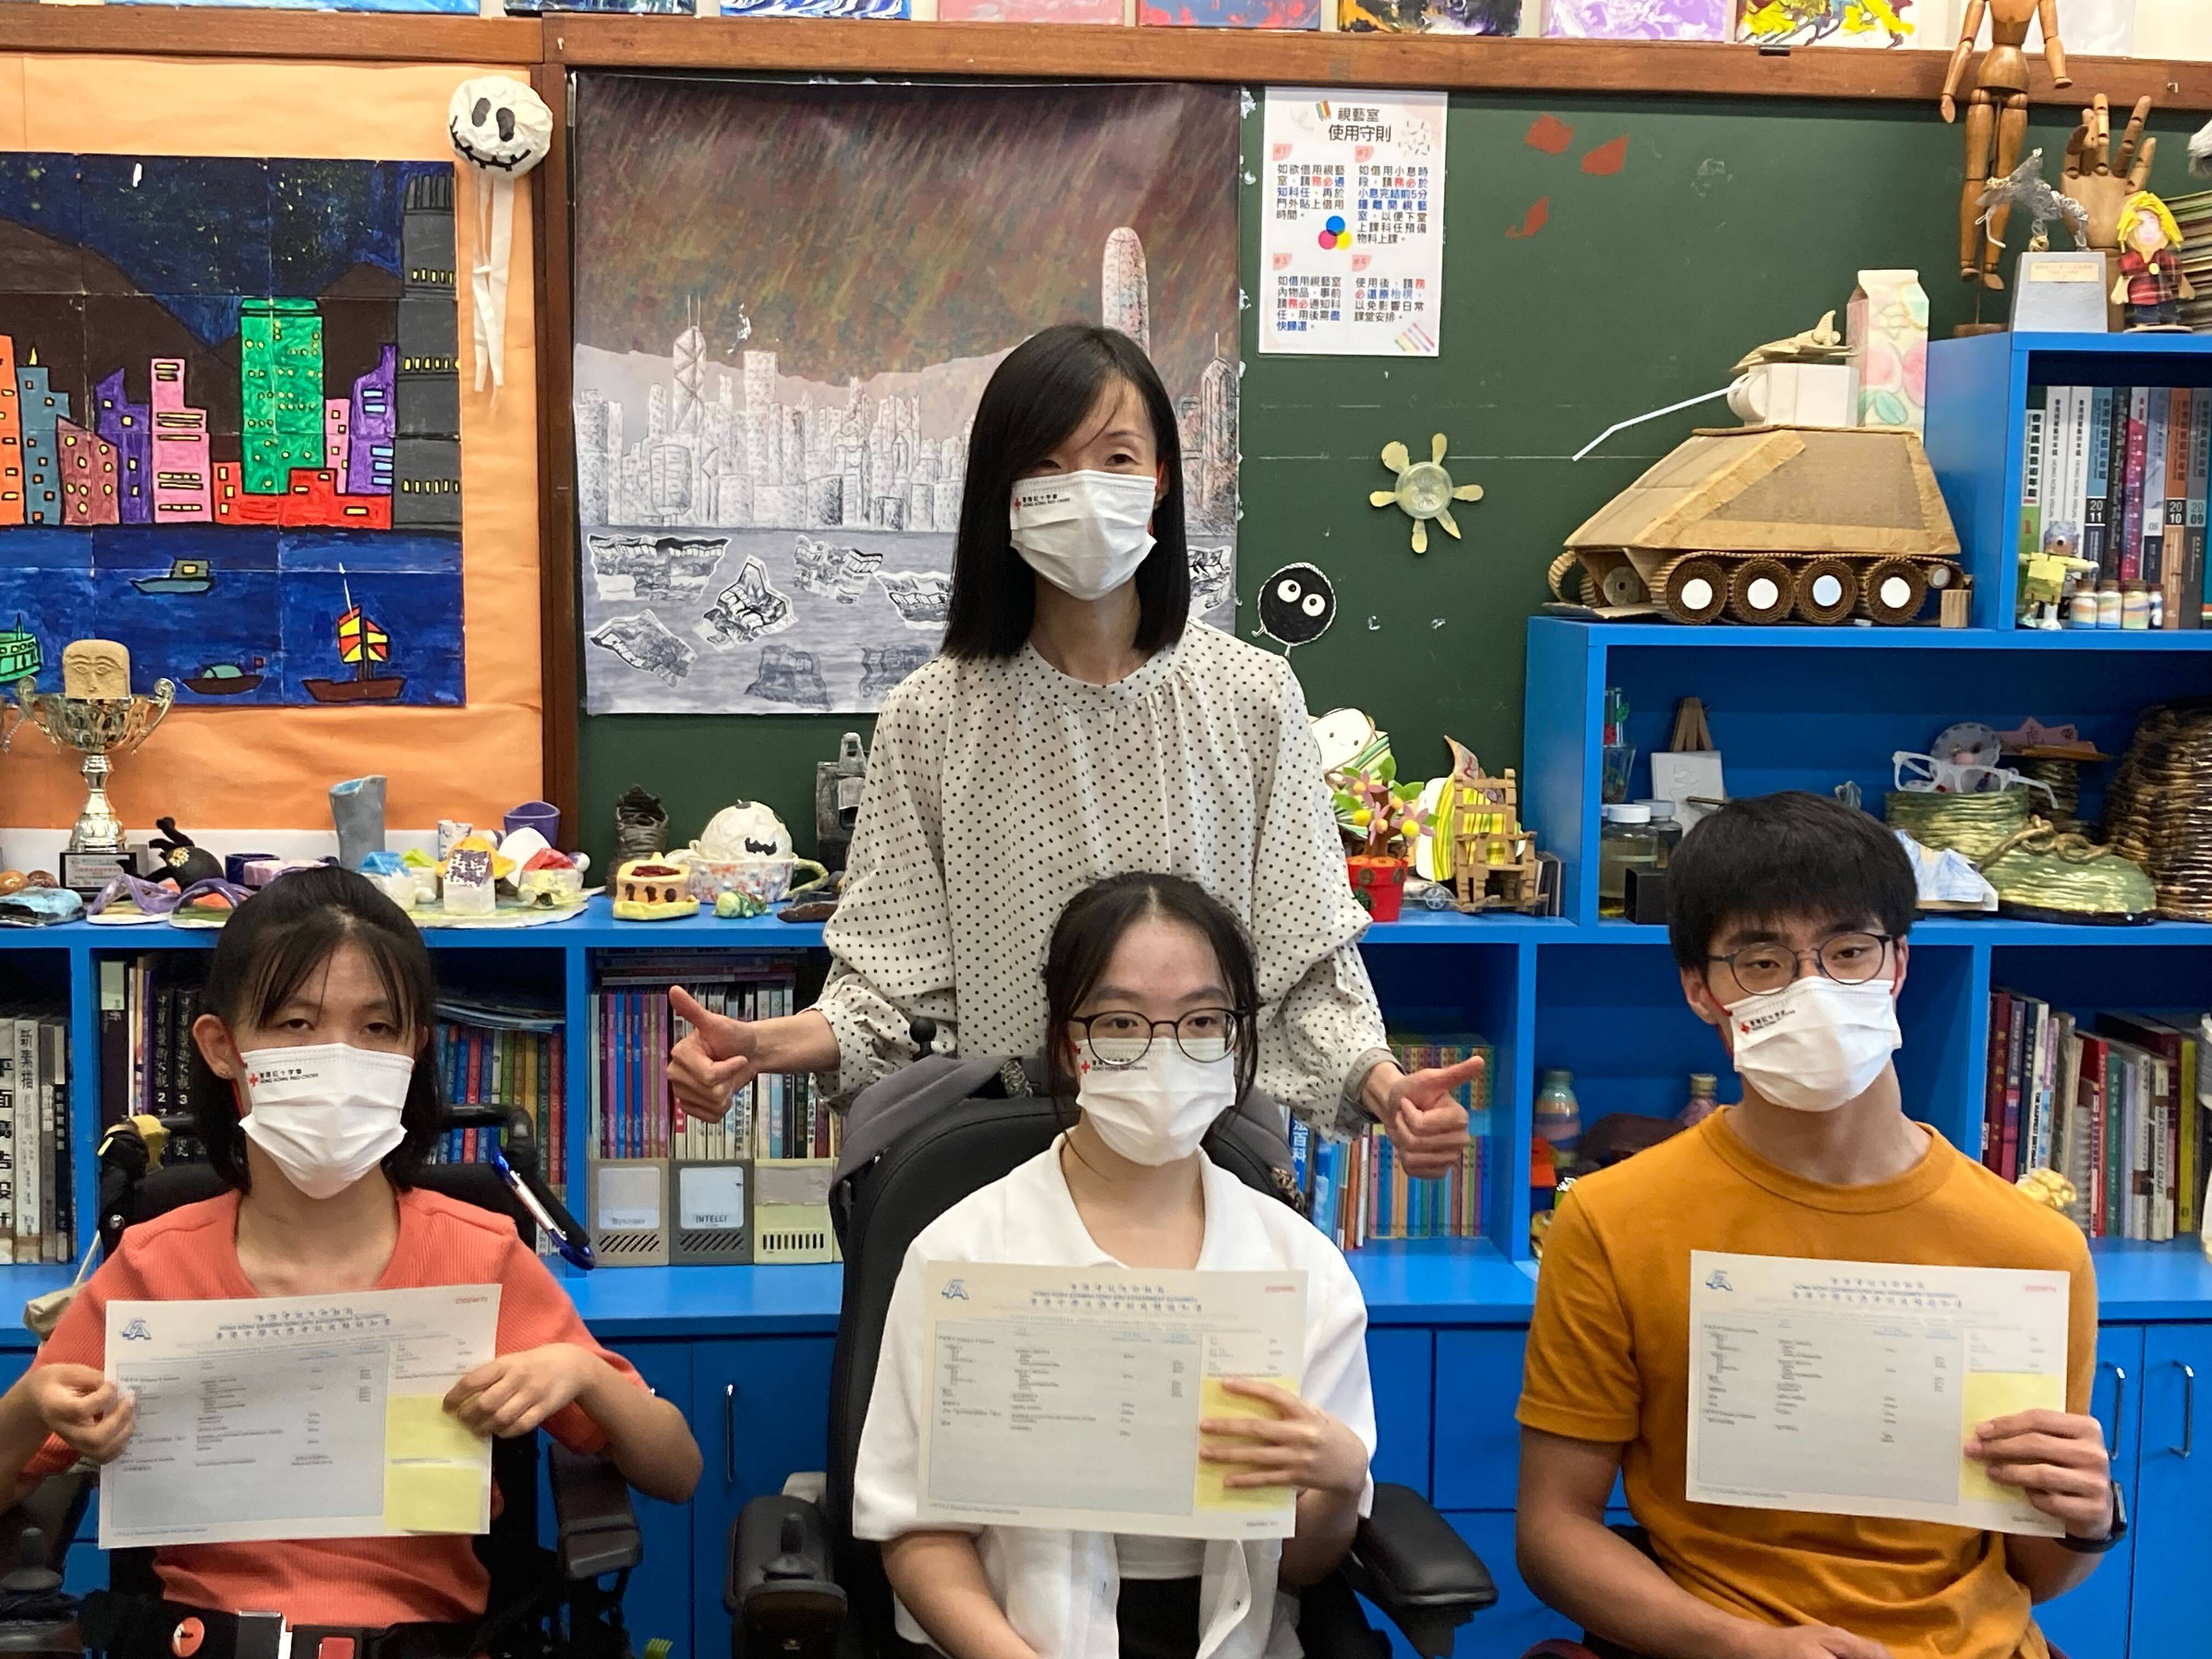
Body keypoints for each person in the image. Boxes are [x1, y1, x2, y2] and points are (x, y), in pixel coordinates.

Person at [667, 323, 1474, 1175]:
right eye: (1047, 465)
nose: (1084, 490)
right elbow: (892, 996)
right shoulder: (933, 716)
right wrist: (761, 1047)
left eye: (1118, 459)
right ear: (1002, 494)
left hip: (1200, 1149)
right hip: (1002, 1157)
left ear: (1162, 481)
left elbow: (1304, 964)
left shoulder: (1253, 701)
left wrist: (1386, 1089)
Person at [0, 867, 701, 1652]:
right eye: (297, 1025)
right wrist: (31, 1408)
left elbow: (675, 1470)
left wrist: (584, 1379)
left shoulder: (478, 1256)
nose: (340, 1060)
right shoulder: (154, 1267)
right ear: (222, 1047)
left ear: (414, 1048)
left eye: (376, 1030)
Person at [1515, 793, 2114, 1659]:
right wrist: (1734, 1644)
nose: (1814, 990)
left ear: (1898, 966)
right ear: (1701, 990)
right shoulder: (1615, 1222)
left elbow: (2037, 1573)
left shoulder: (2030, 1251)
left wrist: (2084, 1517)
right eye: (1762, 962)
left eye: (1847, 952)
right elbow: (1553, 1531)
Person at [853, 873, 1376, 1659]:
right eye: (1123, 1023)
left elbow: (1301, 1566)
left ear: (1238, 1037)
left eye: (1202, 1020)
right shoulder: (964, 1254)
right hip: (1013, 1639)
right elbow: (917, 1536)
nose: (1165, 1054)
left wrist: (1336, 1484)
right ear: (1070, 1039)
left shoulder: (1298, 1266)